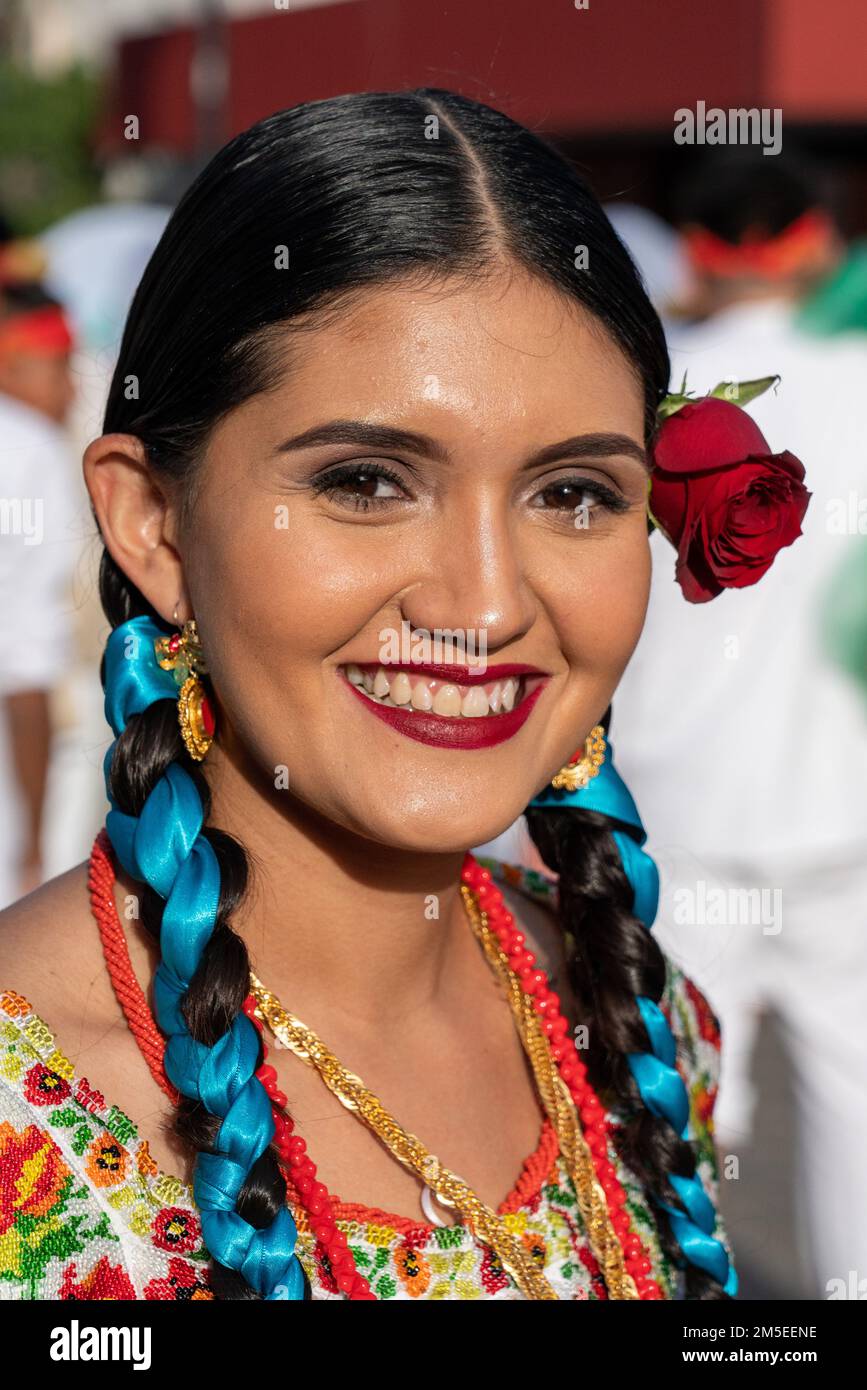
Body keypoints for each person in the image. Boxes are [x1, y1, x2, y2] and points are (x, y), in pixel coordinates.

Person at [0, 92, 806, 1303]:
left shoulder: (638, 1020)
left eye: (573, 493)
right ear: (153, 523)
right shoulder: (26, 1103)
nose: (485, 606)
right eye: (366, 480)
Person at [610, 151, 867, 1295]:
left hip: (673, 824)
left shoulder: (636, 395)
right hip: (844, 821)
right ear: (817, 242)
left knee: (674, 1129)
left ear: (699, 251)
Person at [0, 278, 79, 905]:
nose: (72, 389)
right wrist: (32, 842)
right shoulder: (27, 448)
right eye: (61, 368)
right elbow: (27, 666)